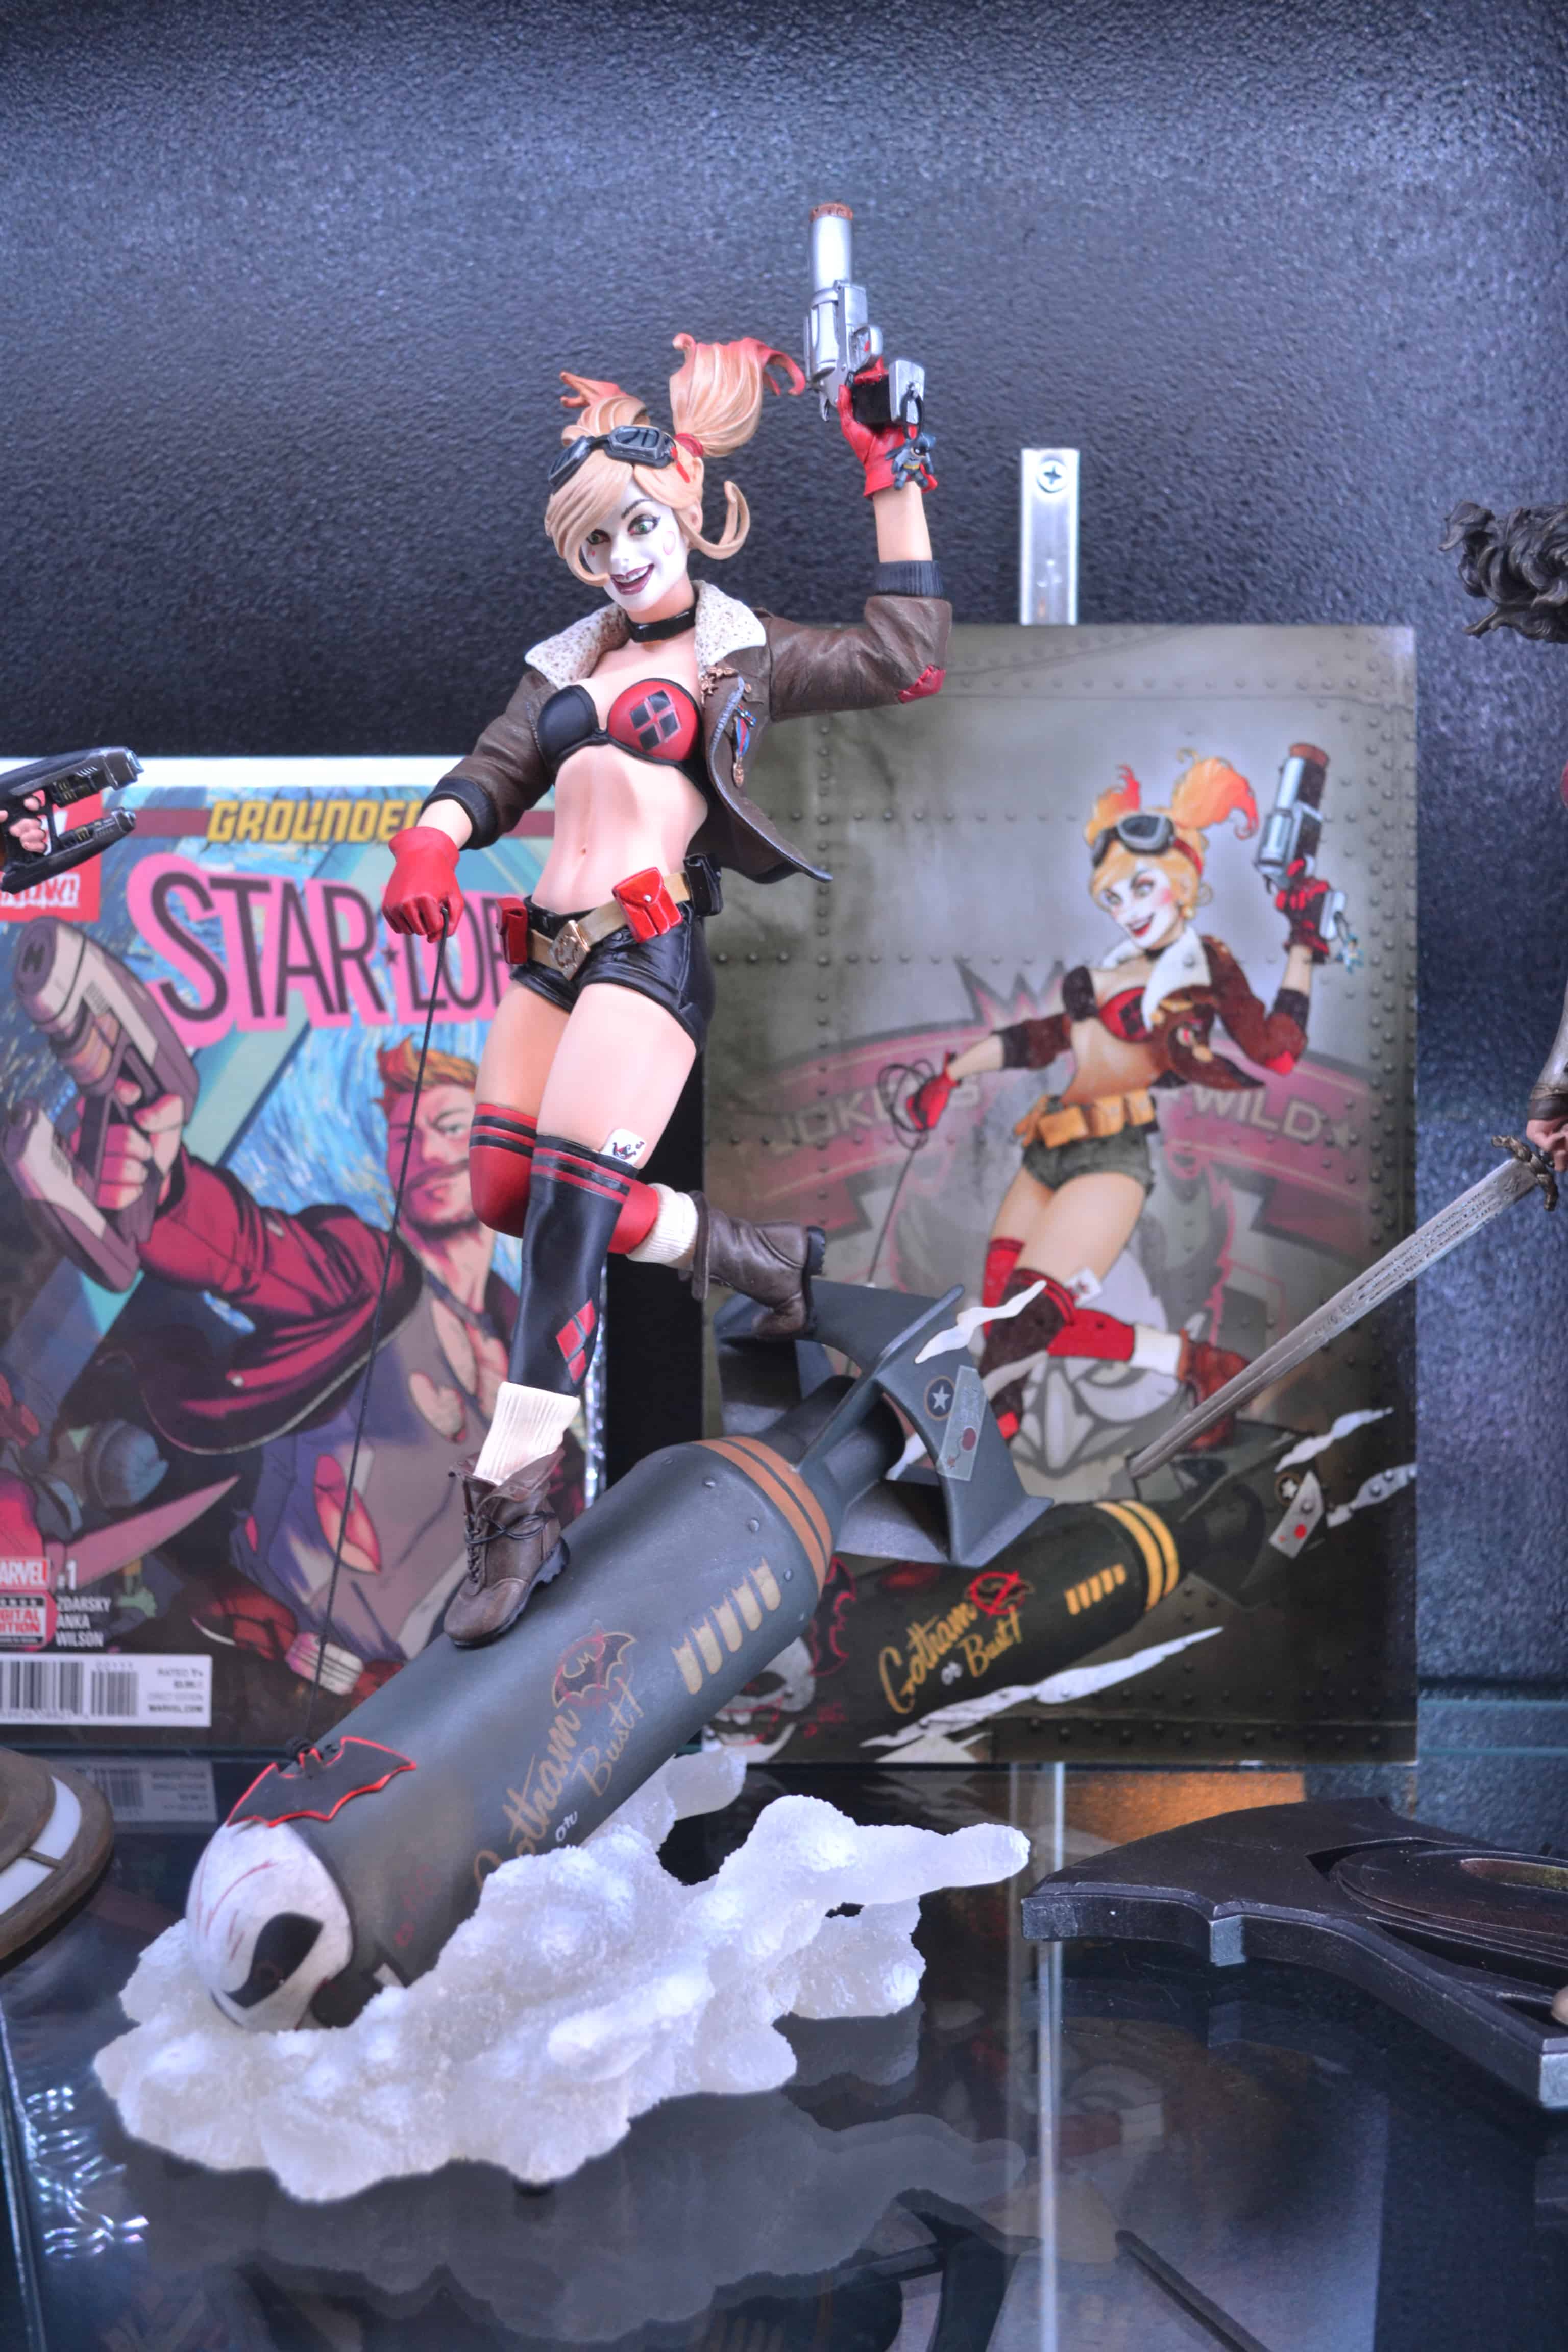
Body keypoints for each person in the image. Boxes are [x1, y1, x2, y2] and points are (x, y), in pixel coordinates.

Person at [382, 332, 948, 1643]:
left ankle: (518, 1508)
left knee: (567, 1232)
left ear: (685, 508)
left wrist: (893, 472)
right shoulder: (567, 661)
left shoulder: (740, 654)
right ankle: (754, 1258)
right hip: (550, 951)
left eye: (638, 526)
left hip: (645, 952)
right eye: (596, 542)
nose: (623, 556)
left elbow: (906, 655)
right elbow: (493, 770)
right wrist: (431, 840)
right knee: (506, 1195)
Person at [62, 1034, 582, 1704]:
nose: (425, 1151)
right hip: (251, 1660)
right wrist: (164, 1190)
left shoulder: (528, 1357)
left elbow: (559, 1557)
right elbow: (250, 1253)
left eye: (451, 1127)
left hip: (418, 1705)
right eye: (404, 1137)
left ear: (506, 1151)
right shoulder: (370, 1279)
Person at [905, 756, 1334, 1446]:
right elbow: (1038, 1040)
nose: (1128, 908)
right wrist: (951, 1076)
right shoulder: (1108, 968)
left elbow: (1277, 1049)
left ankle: (974, 1442)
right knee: (1006, 1317)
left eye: (1142, 887)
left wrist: (1303, 949)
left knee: (1021, 1323)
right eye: (1113, 896)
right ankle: (1195, 1365)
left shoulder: (1202, 967)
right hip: (1048, 1149)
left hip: (1112, 1159)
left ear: (1183, 883)